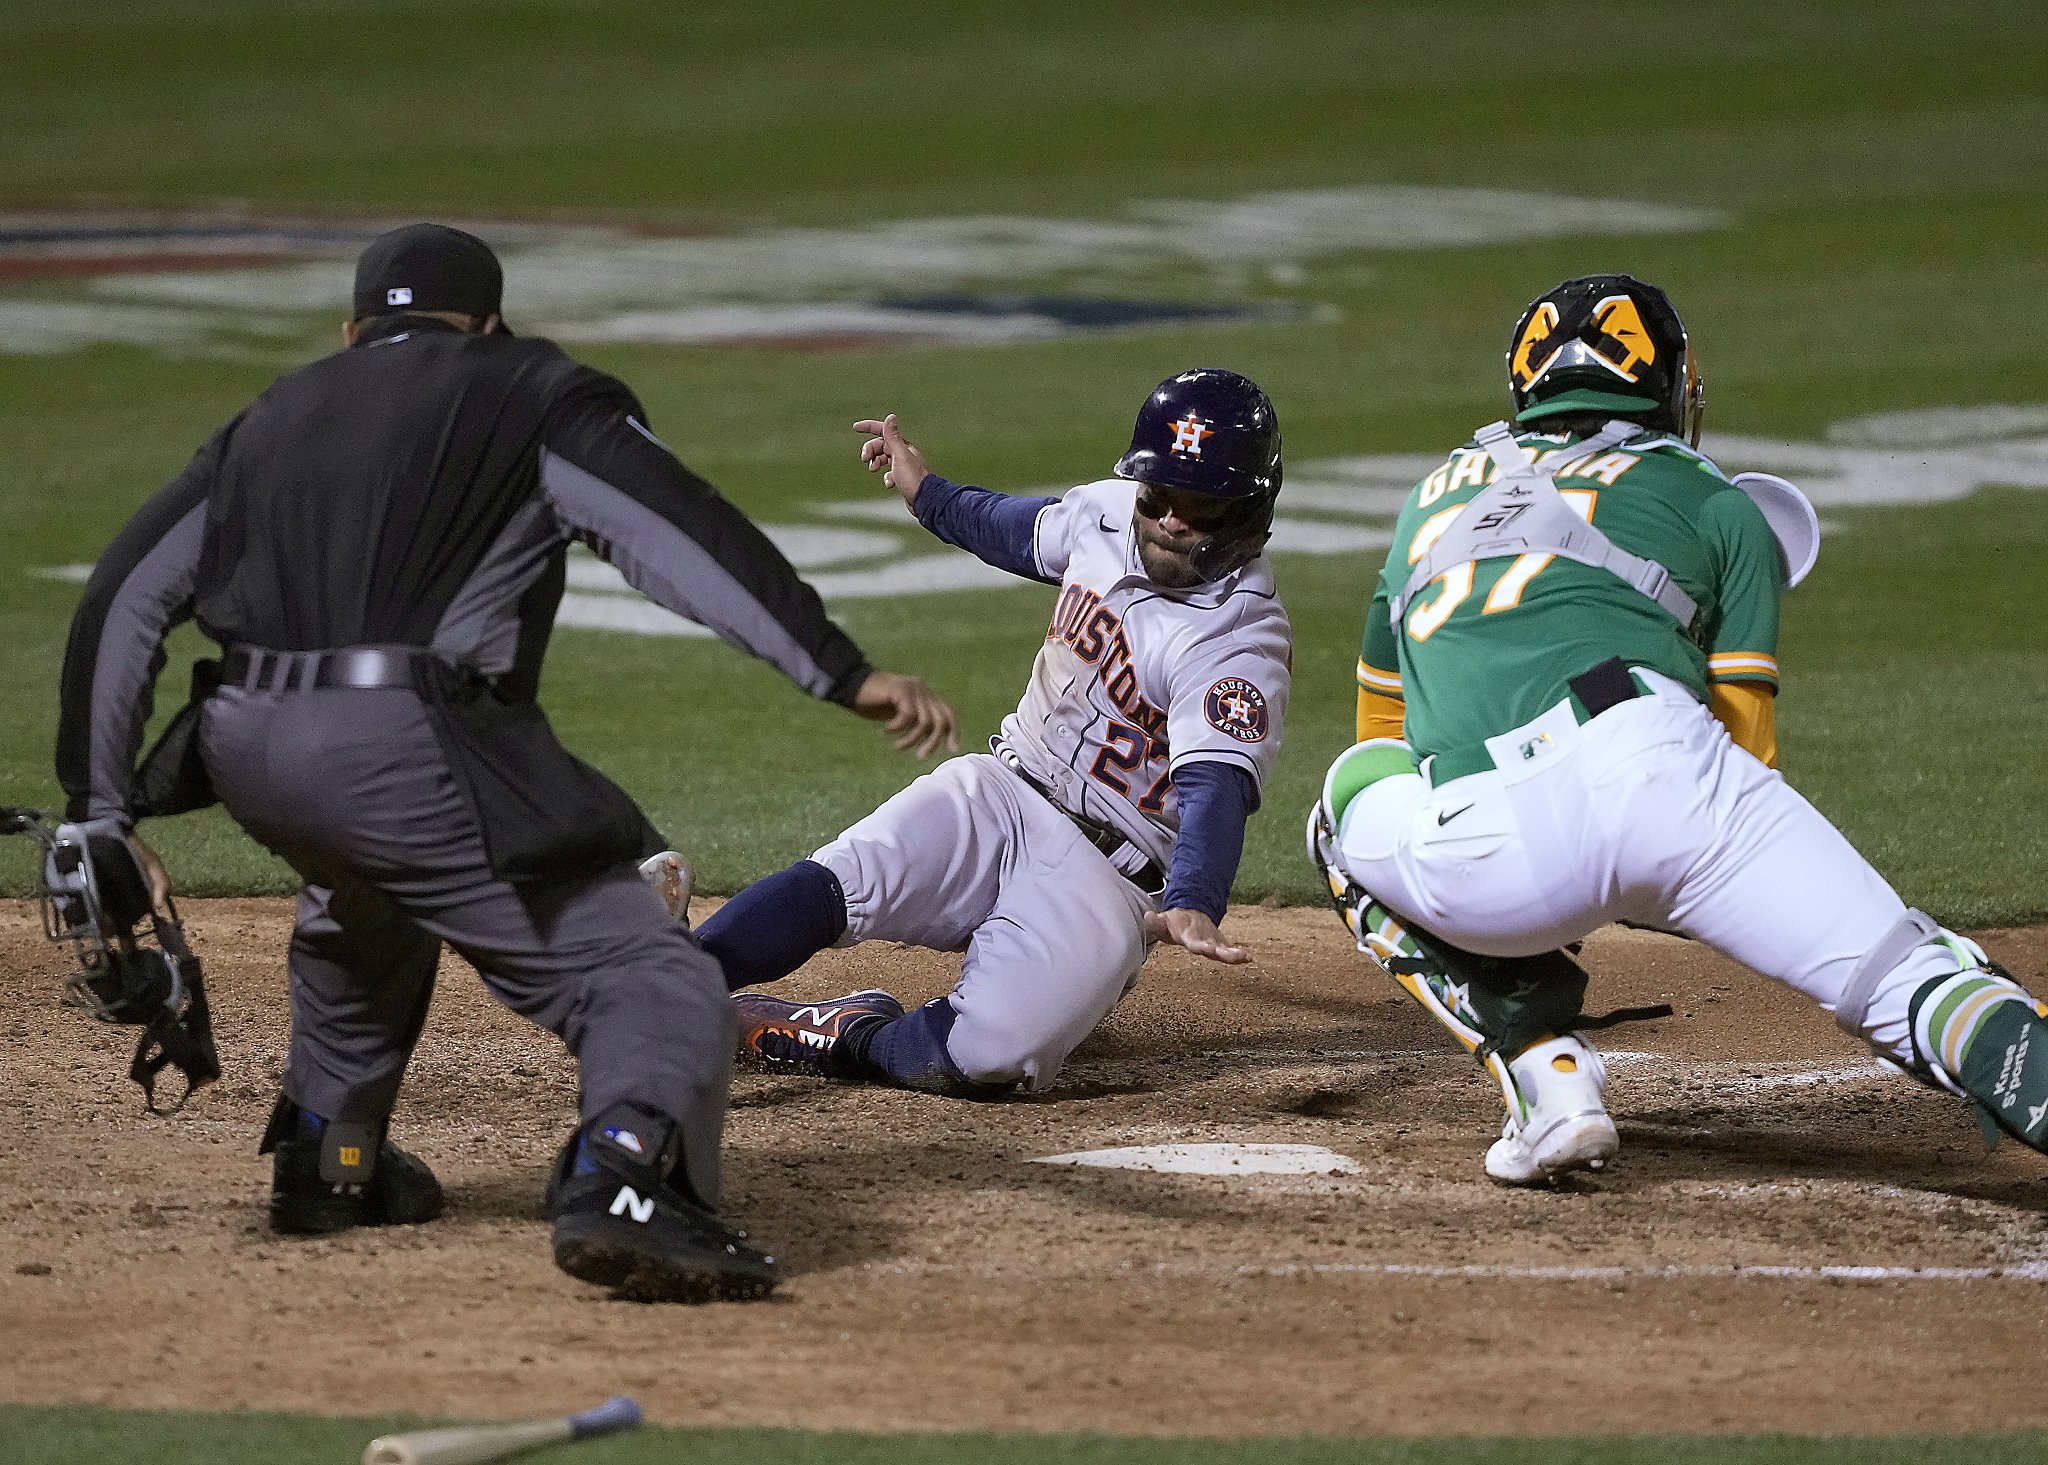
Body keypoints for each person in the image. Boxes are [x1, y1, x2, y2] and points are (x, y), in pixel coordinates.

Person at [54, 222, 956, 1301]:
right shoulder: (529, 387)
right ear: (488, 323)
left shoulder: (268, 415)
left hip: (245, 746)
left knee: (366, 898)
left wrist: (100, 809)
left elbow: (123, 599)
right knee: (648, 973)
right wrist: (835, 668)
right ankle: (627, 1184)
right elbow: (672, 527)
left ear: (351, 332)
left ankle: (329, 1154)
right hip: (400, 741)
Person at [1308, 272, 2048, 1184]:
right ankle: (1978, 1019)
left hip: (1486, 860)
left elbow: (1384, 733)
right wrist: (1712, 891)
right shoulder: (1717, 500)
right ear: (1670, 386)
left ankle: (1543, 1069)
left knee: (1343, 806)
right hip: (1662, 771)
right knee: (1908, 975)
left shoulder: (1426, 500)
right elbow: (1745, 751)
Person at [690, 369, 1292, 1098]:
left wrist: (1196, 894)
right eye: (1157, 494)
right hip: (1001, 789)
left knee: (989, 1060)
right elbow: (1014, 530)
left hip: (1104, 879)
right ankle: (663, 981)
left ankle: (843, 1033)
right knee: (844, 878)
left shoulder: (1240, 640)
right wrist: (925, 490)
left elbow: (1215, 787)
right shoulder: (1104, 515)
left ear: (1246, 512)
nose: (1168, 518)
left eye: (1196, 504)